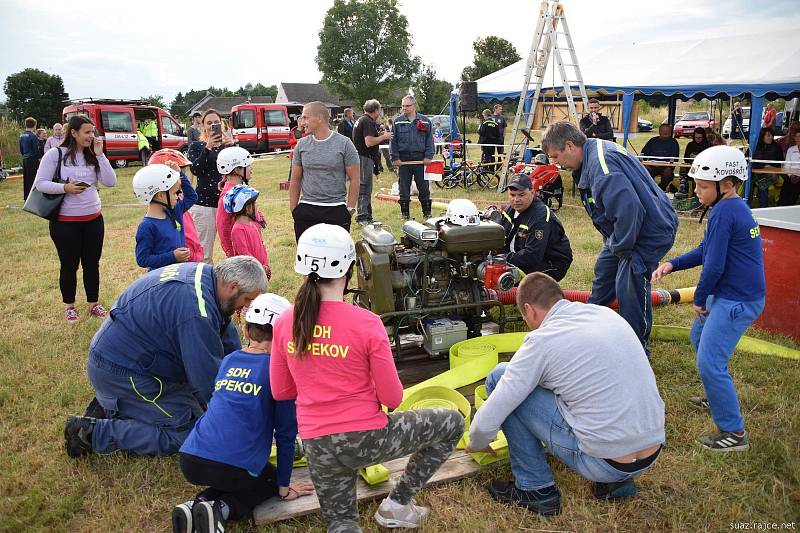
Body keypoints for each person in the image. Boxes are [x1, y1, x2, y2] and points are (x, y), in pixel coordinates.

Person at [270, 224, 464, 532]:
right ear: (349, 268)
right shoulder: (367, 323)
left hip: (317, 445)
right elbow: (392, 398)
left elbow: (281, 391)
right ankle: (397, 505)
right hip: (367, 439)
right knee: (452, 423)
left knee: (342, 525)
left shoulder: (283, 322)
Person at [467, 272, 665, 516]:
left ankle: (535, 489)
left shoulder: (542, 341)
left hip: (604, 463)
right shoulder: (605, 315)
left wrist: (477, 441)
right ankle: (617, 483)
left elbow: (497, 407)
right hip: (652, 450)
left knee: (500, 376)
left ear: (529, 310)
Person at [63, 257, 268, 458]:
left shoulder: (208, 279)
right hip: (122, 371)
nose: (245, 307)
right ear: (233, 287)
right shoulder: (196, 311)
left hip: (137, 360)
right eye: (248, 299)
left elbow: (226, 338)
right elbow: (206, 380)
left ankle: (120, 406)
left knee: (203, 411)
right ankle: (91, 433)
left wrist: (244, 378)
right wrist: (239, 418)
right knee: (192, 432)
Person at [653, 145, 764, 451]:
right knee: (699, 338)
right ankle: (717, 394)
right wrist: (673, 264)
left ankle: (734, 433)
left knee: (709, 363)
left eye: (703, 186)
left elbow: (713, 265)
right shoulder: (732, 207)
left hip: (736, 300)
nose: (697, 191)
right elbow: (707, 251)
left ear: (726, 184)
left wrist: (700, 299)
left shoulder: (725, 213)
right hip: (732, 294)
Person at [172, 293, 313, 533]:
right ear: (285, 337)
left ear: (246, 331)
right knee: (266, 479)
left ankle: (200, 504)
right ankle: (223, 508)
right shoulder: (280, 373)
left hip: (190, 459)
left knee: (232, 475)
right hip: (231, 466)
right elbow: (286, 436)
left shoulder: (228, 360)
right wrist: (283, 487)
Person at [542, 121, 678, 354]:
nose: (557, 164)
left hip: (648, 230)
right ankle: (591, 330)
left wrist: (623, 249)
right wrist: (616, 246)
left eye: (556, 156)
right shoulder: (592, 154)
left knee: (629, 284)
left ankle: (635, 349)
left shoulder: (602, 168)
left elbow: (630, 210)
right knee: (605, 271)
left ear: (570, 146)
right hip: (626, 230)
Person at [33, 115, 117, 323]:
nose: (92, 136)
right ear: (73, 133)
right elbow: (41, 183)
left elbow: (110, 182)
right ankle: (69, 306)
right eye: (87, 132)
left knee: (92, 264)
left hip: (93, 220)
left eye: (92, 132)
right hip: (65, 223)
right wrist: (65, 188)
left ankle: (93, 304)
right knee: (69, 265)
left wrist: (100, 156)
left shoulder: (93, 155)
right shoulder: (55, 154)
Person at [289, 101, 360, 241]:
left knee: (336, 258)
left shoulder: (345, 144)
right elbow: (295, 179)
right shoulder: (301, 145)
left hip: (335, 209)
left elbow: (355, 179)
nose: (302, 122)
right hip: (306, 210)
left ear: (320, 118)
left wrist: (349, 209)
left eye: (305, 117)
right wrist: (294, 209)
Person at [496, 175, 573, 280]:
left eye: (521, 195)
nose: (516, 200)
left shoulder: (540, 216)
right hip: (521, 257)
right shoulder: (510, 210)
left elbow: (532, 256)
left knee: (520, 286)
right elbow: (500, 239)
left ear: (532, 193)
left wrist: (502, 259)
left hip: (550, 263)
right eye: (512, 195)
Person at [188, 109, 235, 263]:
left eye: (216, 122)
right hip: (204, 205)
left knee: (235, 248)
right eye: (209, 123)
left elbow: (242, 170)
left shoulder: (229, 146)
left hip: (228, 203)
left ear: (222, 124)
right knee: (204, 253)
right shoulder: (196, 146)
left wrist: (234, 147)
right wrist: (207, 148)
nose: (213, 125)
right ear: (203, 127)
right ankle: (203, 284)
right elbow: (195, 169)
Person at [133, 163, 198, 270]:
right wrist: (172, 256)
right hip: (161, 279)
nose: (178, 197)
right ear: (161, 195)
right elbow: (142, 259)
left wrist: (179, 173)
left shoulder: (174, 211)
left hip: (179, 271)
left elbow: (192, 197)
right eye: (175, 193)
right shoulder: (147, 226)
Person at [148, 149, 205, 263]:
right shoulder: (172, 208)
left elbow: (192, 197)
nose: (181, 179)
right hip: (184, 260)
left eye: (181, 172)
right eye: (178, 174)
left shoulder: (177, 201)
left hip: (191, 258)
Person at [390, 95, 435, 220]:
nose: (404, 108)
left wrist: (428, 156)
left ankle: (427, 213)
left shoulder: (425, 121)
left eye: (407, 106)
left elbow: (429, 140)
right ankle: (405, 215)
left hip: (420, 159)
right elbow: (392, 142)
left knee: (423, 187)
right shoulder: (397, 121)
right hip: (403, 160)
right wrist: (395, 158)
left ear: (414, 106)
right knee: (403, 188)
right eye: (403, 106)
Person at [352, 99, 393, 225]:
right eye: (379, 110)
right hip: (364, 157)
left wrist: (378, 134)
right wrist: (384, 137)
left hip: (361, 157)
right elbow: (369, 142)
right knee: (364, 186)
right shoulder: (368, 121)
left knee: (366, 186)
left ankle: (367, 216)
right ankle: (363, 216)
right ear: (376, 110)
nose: (379, 113)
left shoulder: (361, 120)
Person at [215, 146, 257, 258]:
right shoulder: (228, 194)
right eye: (248, 165)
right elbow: (222, 226)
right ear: (237, 169)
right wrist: (231, 252)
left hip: (250, 242)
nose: (251, 168)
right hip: (241, 251)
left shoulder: (240, 188)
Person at [225, 184, 271, 279]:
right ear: (247, 208)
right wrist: (259, 267)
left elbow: (261, 245)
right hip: (250, 273)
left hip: (260, 269)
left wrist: (265, 264)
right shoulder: (238, 229)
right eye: (255, 204)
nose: (257, 206)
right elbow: (244, 254)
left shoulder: (253, 224)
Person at [641, 124, 680, 191]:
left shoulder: (673, 142)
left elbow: (675, 158)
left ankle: (660, 189)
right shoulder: (652, 141)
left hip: (666, 167)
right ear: (659, 131)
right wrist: (645, 164)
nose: (665, 133)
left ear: (671, 132)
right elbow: (644, 154)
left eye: (667, 131)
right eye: (663, 131)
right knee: (644, 170)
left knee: (668, 173)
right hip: (652, 165)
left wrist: (669, 167)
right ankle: (648, 189)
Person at [751, 127, 784, 208]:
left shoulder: (777, 147)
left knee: (762, 185)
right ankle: (763, 206)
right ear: (762, 137)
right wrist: (766, 166)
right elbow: (753, 163)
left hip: (774, 174)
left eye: (771, 135)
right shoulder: (756, 147)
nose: (770, 137)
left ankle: (767, 205)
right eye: (767, 135)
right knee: (762, 185)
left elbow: (780, 162)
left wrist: (772, 170)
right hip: (758, 175)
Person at [679, 127, 711, 197]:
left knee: (695, 174)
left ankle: (696, 194)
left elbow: (710, 159)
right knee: (683, 169)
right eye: (696, 137)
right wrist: (690, 157)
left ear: (703, 137)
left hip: (704, 168)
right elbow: (685, 158)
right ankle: (684, 190)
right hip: (692, 166)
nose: (698, 139)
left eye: (700, 138)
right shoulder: (690, 145)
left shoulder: (708, 145)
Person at [20, 116, 39, 200]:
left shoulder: (21, 135)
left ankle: (26, 196)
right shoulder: (33, 136)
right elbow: (35, 150)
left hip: (25, 158)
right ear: (34, 126)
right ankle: (33, 197)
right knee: (33, 178)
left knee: (26, 178)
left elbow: (21, 148)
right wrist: (38, 158)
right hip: (32, 159)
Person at [779, 130, 800, 206]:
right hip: (791, 175)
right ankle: (781, 207)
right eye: (796, 136)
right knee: (785, 189)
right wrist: (791, 175)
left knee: (794, 192)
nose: (798, 138)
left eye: (799, 136)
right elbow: (787, 165)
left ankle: (790, 206)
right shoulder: (791, 149)